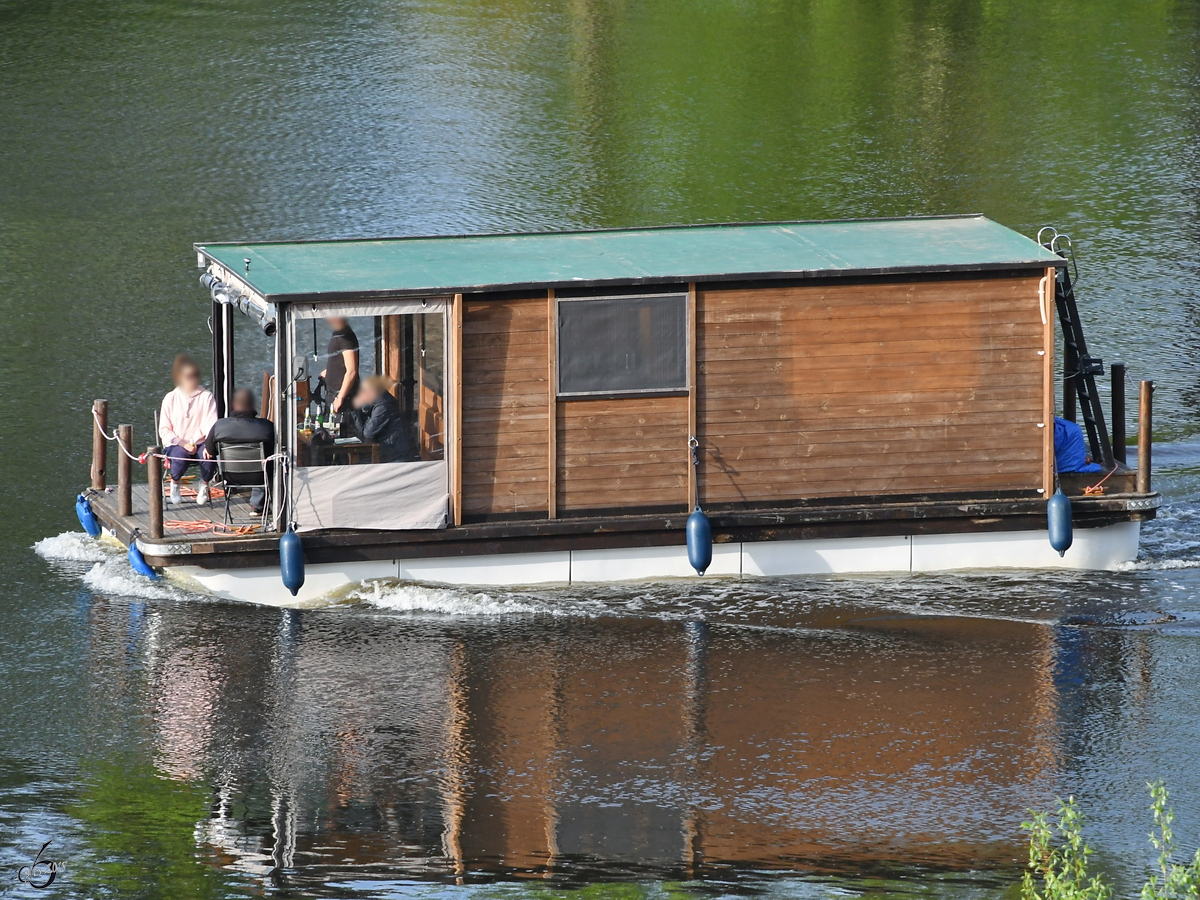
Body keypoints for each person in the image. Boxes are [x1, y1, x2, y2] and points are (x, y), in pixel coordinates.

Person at [159, 354, 219, 505]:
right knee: (179, 456)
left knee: (209, 456)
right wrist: (182, 443)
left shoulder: (207, 397)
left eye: (194, 376)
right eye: (187, 376)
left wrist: (200, 442)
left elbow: (211, 424)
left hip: (201, 441)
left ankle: (204, 485)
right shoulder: (170, 398)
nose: (191, 379)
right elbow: (164, 429)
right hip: (177, 443)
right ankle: (174, 483)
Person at [205, 388, 275, 514]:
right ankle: (258, 506)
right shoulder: (266, 426)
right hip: (259, 476)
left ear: (234, 405)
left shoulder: (220, 426)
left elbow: (210, 451)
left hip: (230, 476)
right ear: (252, 405)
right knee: (266, 462)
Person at [348, 376, 418, 463]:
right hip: (388, 449)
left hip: (397, 453)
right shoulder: (374, 403)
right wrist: (355, 408)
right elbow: (363, 430)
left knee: (359, 465)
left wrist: (355, 408)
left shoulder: (383, 405)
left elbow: (368, 433)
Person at [319, 317, 359, 414]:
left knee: (338, 427)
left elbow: (351, 371)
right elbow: (338, 361)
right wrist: (329, 372)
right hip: (333, 393)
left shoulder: (346, 337)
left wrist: (340, 398)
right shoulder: (338, 334)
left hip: (341, 397)